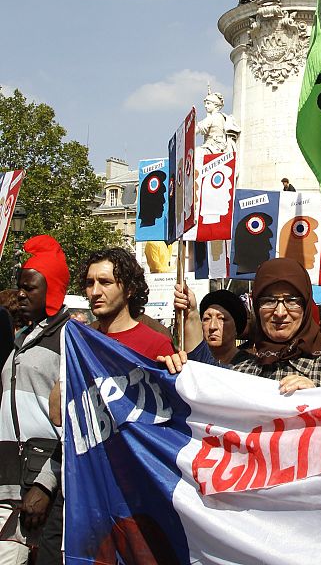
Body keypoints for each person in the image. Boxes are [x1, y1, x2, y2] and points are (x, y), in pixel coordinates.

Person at [165, 258, 321, 391]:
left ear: (306, 305)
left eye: (291, 300)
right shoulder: (239, 373)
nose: (280, 312)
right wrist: (174, 374)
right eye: (269, 301)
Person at [0, 235, 70, 564]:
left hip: (38, 488)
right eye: (19, 287)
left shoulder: (69, 339)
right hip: (8, 482)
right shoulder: (21, 338)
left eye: (30, 288)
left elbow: (74, 422)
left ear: (52, 289)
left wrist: (46, 483)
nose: (21, 294)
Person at [79, 248, 174, 359]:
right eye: (90, 283)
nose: (95, 292)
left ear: (130, 289)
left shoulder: (157, 345)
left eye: (105, 282)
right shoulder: (81, 342)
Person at [198, 289, 247, 365]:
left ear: (236, 326)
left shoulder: (252, 368)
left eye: (222, 319)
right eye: (207, 319)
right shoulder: (193, 365)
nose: (212, 327)